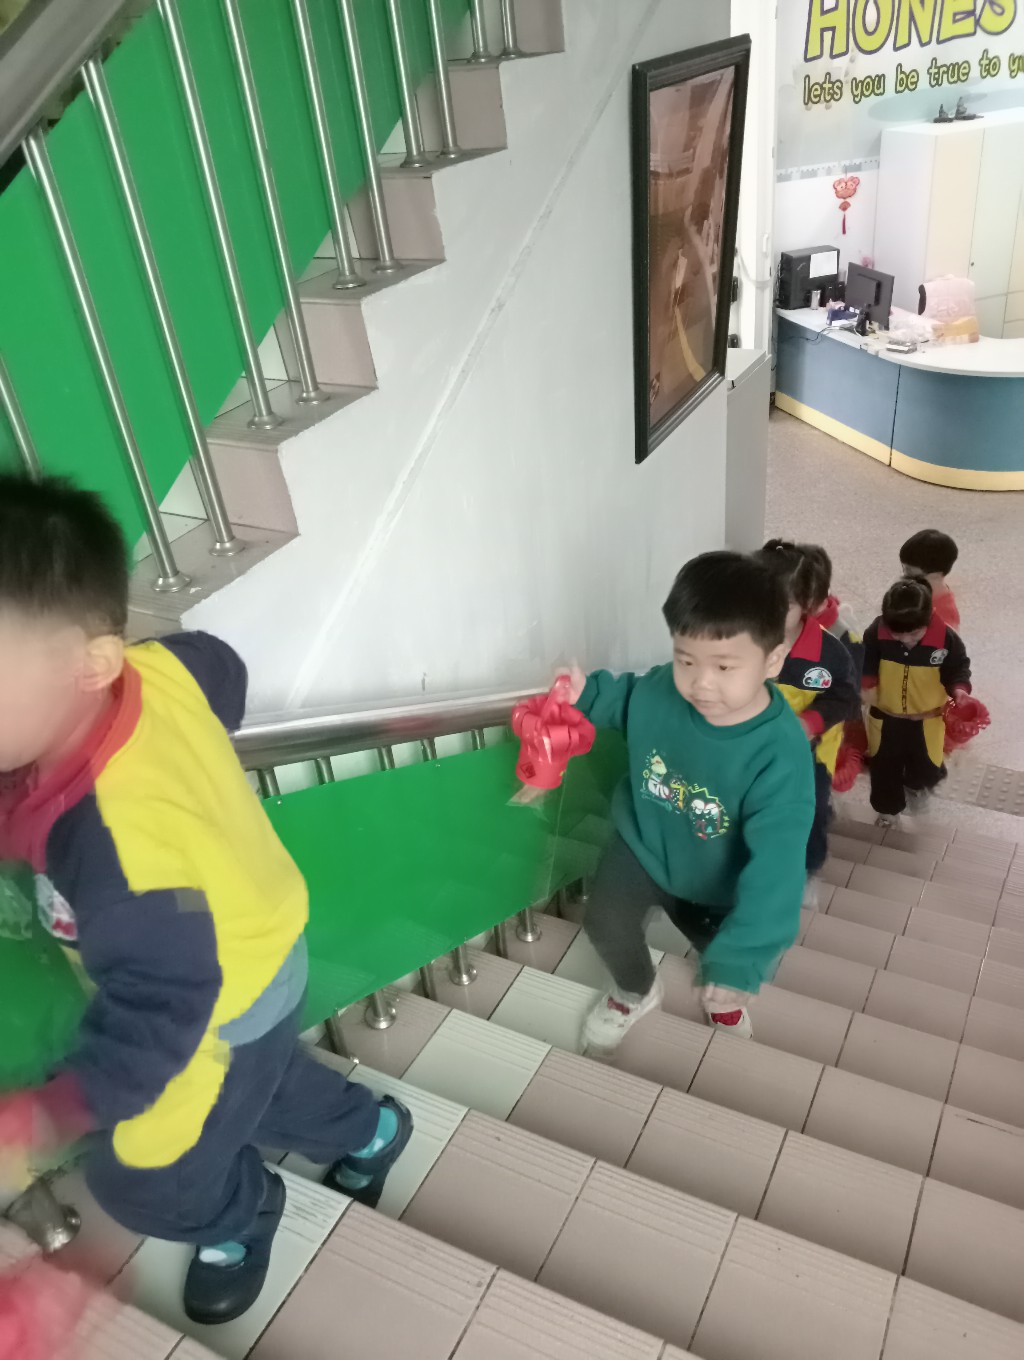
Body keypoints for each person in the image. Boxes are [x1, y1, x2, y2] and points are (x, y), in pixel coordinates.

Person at [0, 475, 412, 1326]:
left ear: (90, 664)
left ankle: (240, 1215)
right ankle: (372, 1132)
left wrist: (48, 1114)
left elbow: (163, 1008)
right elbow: (218, 668)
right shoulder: (153, 671)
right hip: (251, 939)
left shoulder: (118, 846)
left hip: (219, 997)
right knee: (264, 1084)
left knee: (145, 1179)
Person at [568, 551, 815, 1048]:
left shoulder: (779, 756)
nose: (700, 683)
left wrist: (740, 961)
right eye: (686, 660)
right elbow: (628, 697)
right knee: (605, 923)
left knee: (718, 956)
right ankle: (635, 990)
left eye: (724, 666)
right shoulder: (666, 687)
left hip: (718, 883)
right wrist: (585, 694)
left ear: (772, 660)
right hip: (642, 843)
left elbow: (778, 871)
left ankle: (725, 999)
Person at [755, 541, 858, 887]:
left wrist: (810, 721)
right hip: (753, 750)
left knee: (810, 813)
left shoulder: (830, 653)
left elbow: (846, 697)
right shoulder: (742, 638)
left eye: (782, 605)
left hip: (809, 755)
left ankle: (806, 870)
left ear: (807, 604)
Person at [862, 575, 972, 828]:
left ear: (928, 619)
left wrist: (959, 689)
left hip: (928, 719)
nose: (905, 640)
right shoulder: (876, 632)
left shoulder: (946, 639)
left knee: (927, 766)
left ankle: (916, 787)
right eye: (897, 634)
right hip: (885, 717)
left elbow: (959, 668)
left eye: (913, 633)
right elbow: (865, 660)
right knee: (883, 768)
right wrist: (866, 683)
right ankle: (887, 810)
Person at [900, 529, 960, 631]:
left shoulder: (944, 617)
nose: (904, 577)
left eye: (910, 574)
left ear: (936, 574)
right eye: (904, 569)